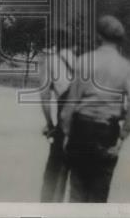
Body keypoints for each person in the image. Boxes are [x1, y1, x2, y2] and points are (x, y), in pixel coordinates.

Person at [59, 15, 130, 203]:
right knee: (99, 195)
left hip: (81, 130)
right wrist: (122, 137)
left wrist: (66, 133)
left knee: (77, 193)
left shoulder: (84, 61)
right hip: (107, 132)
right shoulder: (126, 67)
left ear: (99, 36)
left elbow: (70, 104)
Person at [40, 28, 76, 202]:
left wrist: (50, 124)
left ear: (56, 42)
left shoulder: (51, 61)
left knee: (55, 172)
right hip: (85, 122)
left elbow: (44, 96)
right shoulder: (83, 60)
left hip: (63, 120)